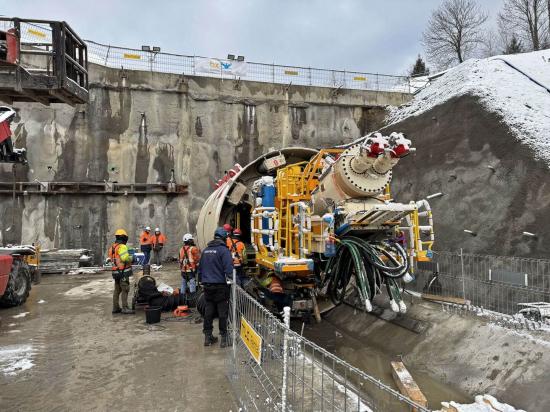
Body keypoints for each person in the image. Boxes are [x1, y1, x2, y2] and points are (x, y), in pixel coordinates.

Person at [197, 227, 233, 347]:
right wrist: (234, 281)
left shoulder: (206, 250)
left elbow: (200, 270)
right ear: (224, 238)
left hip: (207, 287)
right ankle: (224, 338)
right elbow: (229, 270)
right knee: (222, 312)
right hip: (220, 287)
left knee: (209, 311)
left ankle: (208, 337)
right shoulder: (224, 251)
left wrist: (202, 282)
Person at [108, 229, 135, 314]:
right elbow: (125, 258)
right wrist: (132, 258)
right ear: (124, 237)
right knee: (125, 289)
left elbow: (115, 259)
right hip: (123, 272)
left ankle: (115, 308)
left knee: (117, 290)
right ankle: (125, 308)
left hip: (115, 272)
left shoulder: (112, 247)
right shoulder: (122, 246)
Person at [179, 233, 201, 301]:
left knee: (183, 283)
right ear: (189, 240)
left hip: (183, 270)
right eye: (191, 240)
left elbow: (180, 259)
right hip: (191, 270)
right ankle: (192, 299)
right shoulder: (193, 249)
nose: (192, 241)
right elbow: (197, 259)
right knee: (192, 283)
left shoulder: (181, 249)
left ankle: (182, 298)